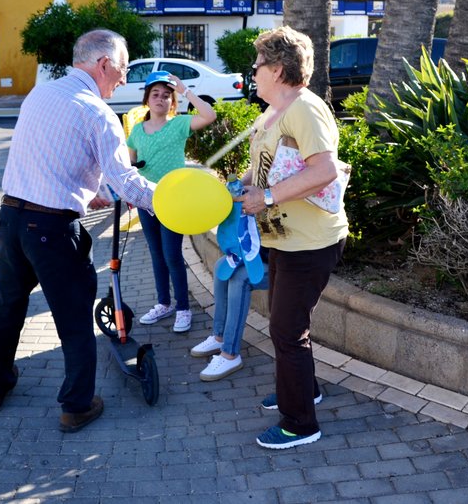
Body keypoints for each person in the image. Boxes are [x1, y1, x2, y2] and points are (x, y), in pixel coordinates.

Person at [0, 29, 156, 434]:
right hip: (51, 230)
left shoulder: (39, 94)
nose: (124, 81)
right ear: (104, 64)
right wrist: (172, 200)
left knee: (6, 305)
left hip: (11, 218)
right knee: (75, 318)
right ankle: (77, 405)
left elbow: (50, 156)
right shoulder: (98, 113)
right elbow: (127, 183)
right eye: (123, 69)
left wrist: (86, 193)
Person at [238, 26, 349, 449]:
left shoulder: (304, 108)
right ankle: (305, 389)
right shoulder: (274, 110)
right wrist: (241, 185)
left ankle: (300, 422)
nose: (254, 71)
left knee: (287, 330)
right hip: (286, 238)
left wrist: (264, 196)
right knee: (286, 325)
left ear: (279, 69)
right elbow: (266, 163)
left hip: (311, 241)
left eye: (259, 65)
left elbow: (322, 171)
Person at [127, 71, 216, 333]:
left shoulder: (178, 125)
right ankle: (163, 303)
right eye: (155, 94)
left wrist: (185, 90)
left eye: (167, 95)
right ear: (147, 99)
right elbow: (130, 165)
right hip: (147, 203)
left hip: (173, 201)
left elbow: (209, 115)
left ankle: (183, 308)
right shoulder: (137, 132)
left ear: (172, 102)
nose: (161, 99)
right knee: (156, 255)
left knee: (172, 255)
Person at [191, 249, 268, 381]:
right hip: (258, 253)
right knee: (222, 266)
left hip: (281, 259)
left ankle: (230, 353)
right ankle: (219, 337)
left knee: (240, 278)